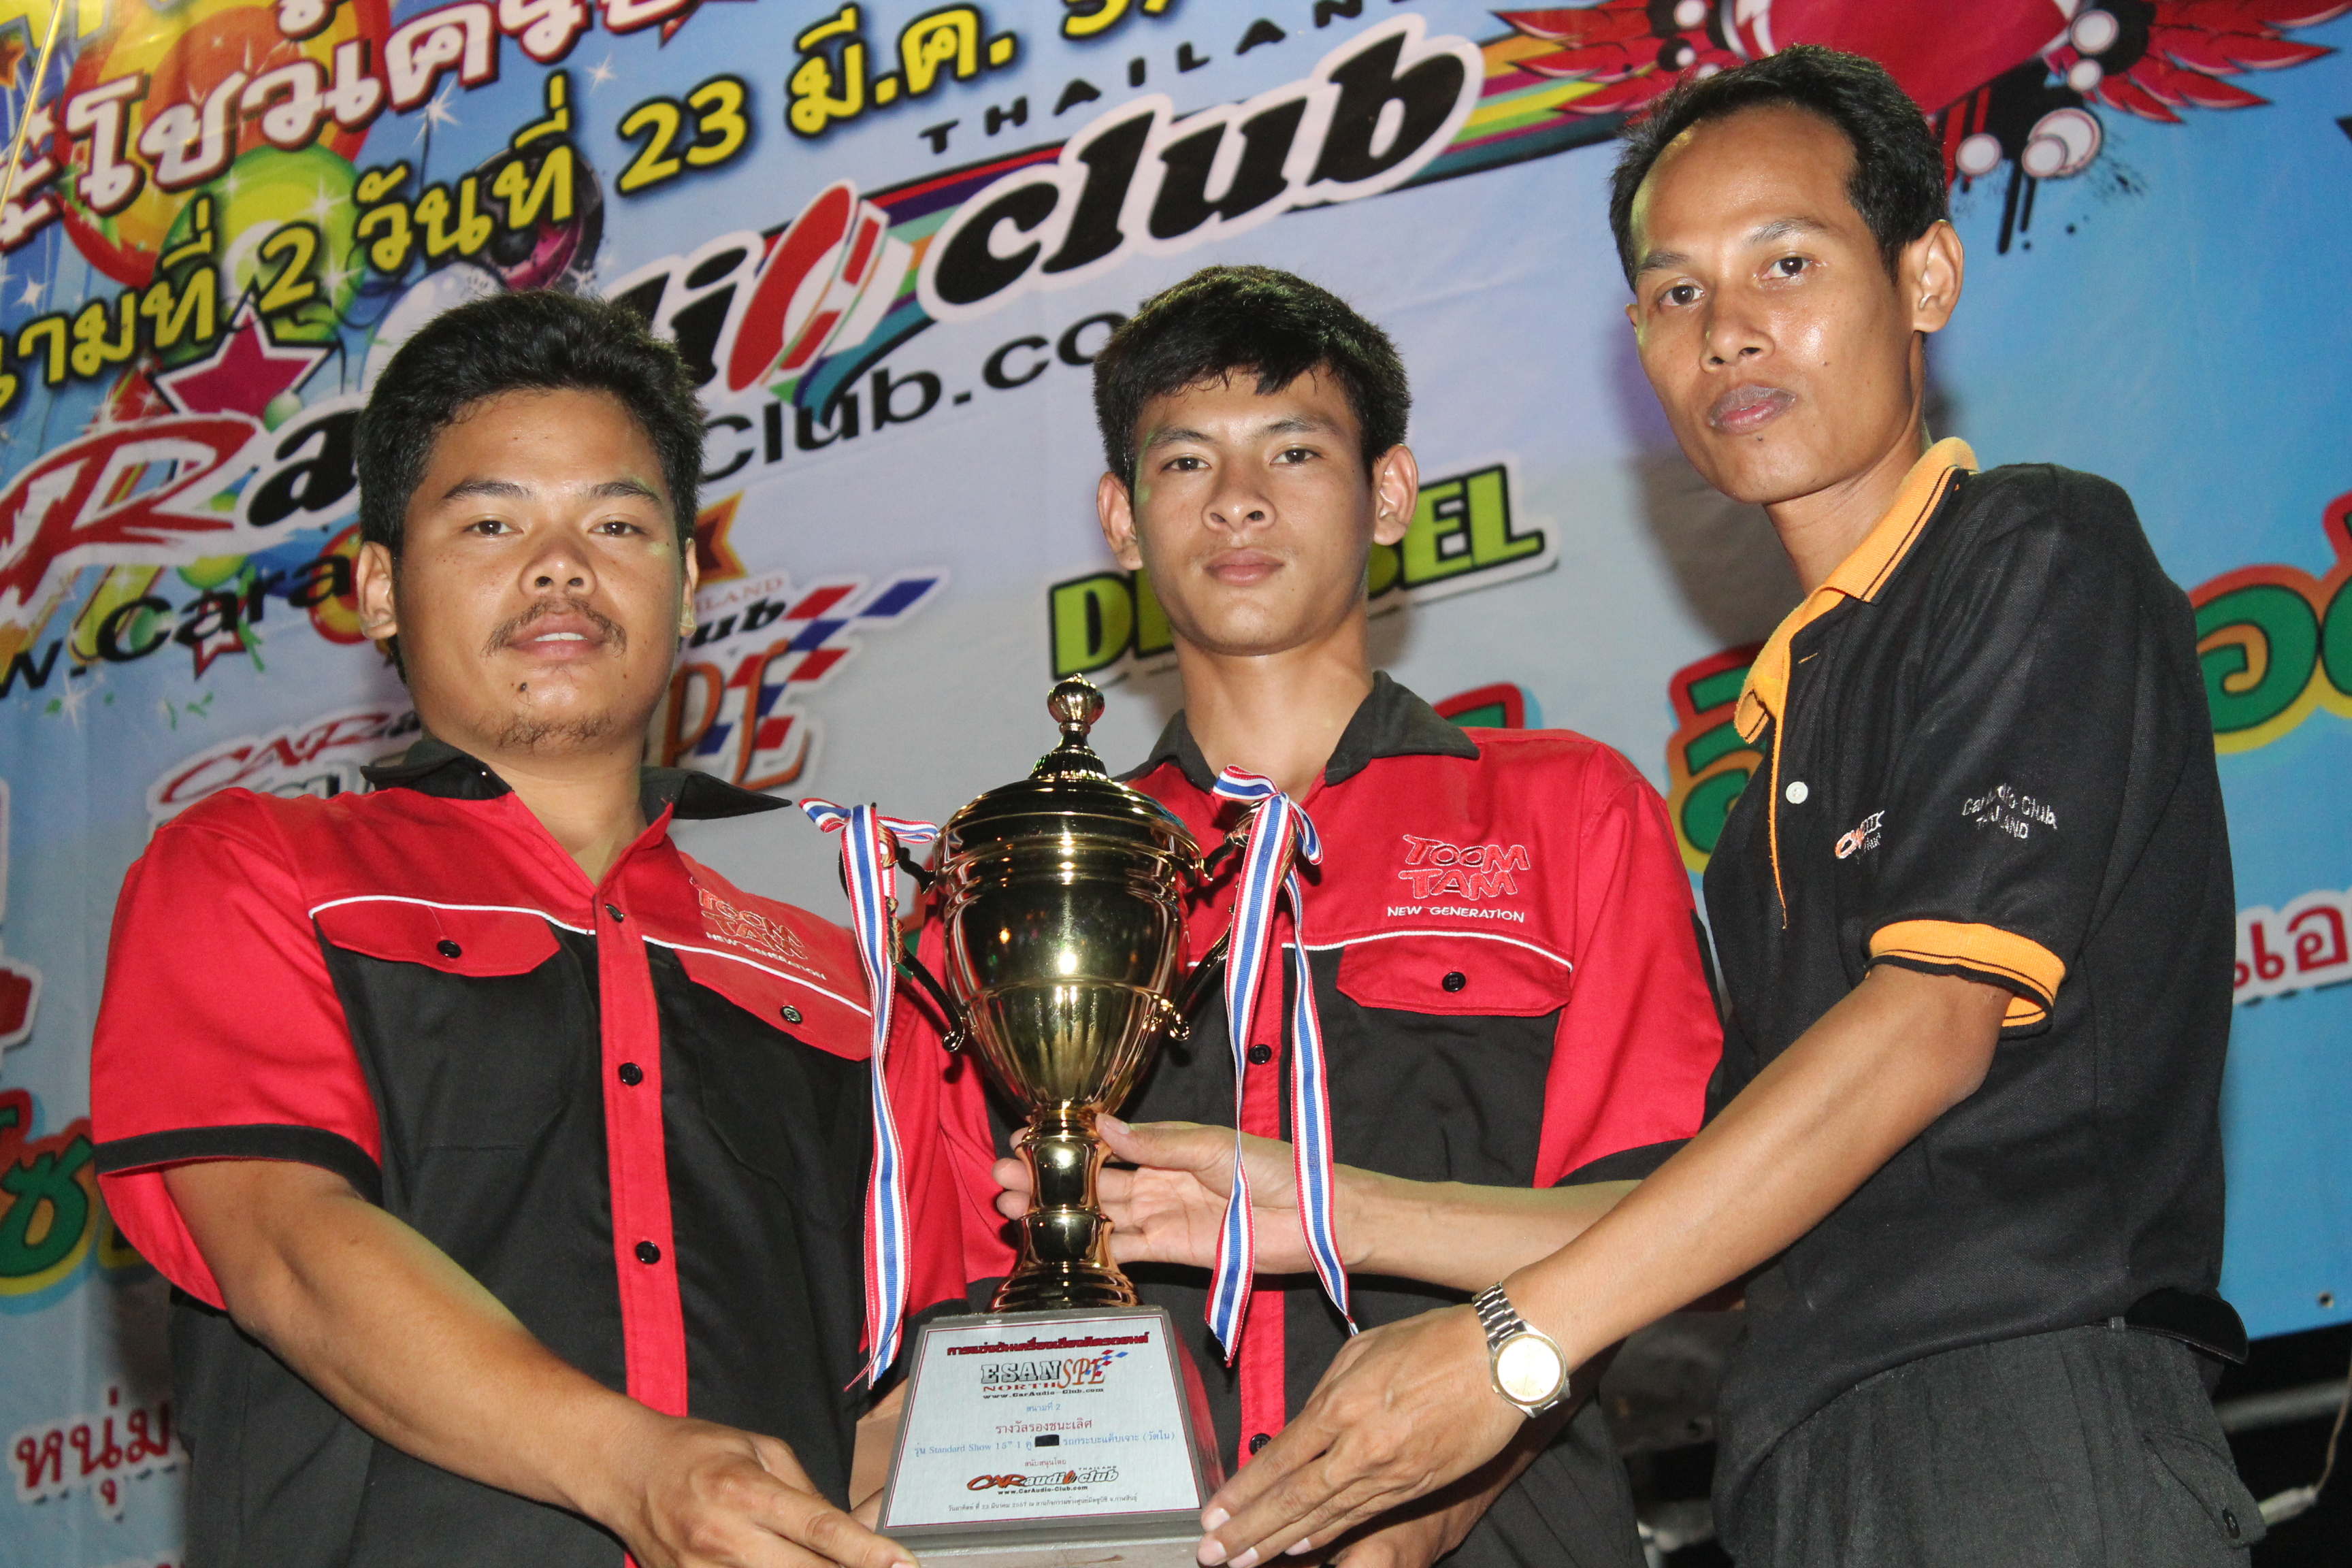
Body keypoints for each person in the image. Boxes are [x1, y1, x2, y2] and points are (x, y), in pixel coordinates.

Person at [1046, 48, 2259, 1568]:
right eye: (1677, 292)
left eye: (1787, 264)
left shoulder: (2032, 552)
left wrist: (1509, 1352)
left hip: (2024, 1424)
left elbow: (1931, 1027)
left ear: (1927, 276)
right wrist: (1325, 1208)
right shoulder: (1768, 774)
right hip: (1801, 1469)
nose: (1728, 329)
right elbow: (1711, 1213)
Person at [89, 291, 965, 1568]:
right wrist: (637, 1468)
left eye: (617, 524)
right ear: (380, 590)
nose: (562, 567)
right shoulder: (257, 869)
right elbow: (286, 1244)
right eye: (493, 523)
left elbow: (905, 1380)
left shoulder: (850, 957)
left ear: (689, 582)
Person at [950, 263, 1724, 1568]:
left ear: (1390, 495)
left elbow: (1681, 1224)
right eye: (1185, 461)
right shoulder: (1040, 878)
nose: (1237, 499)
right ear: (1122, 520)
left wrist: (1436, 1491)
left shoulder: (1568, 810)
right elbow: (962, 1288)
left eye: (1295, 450)